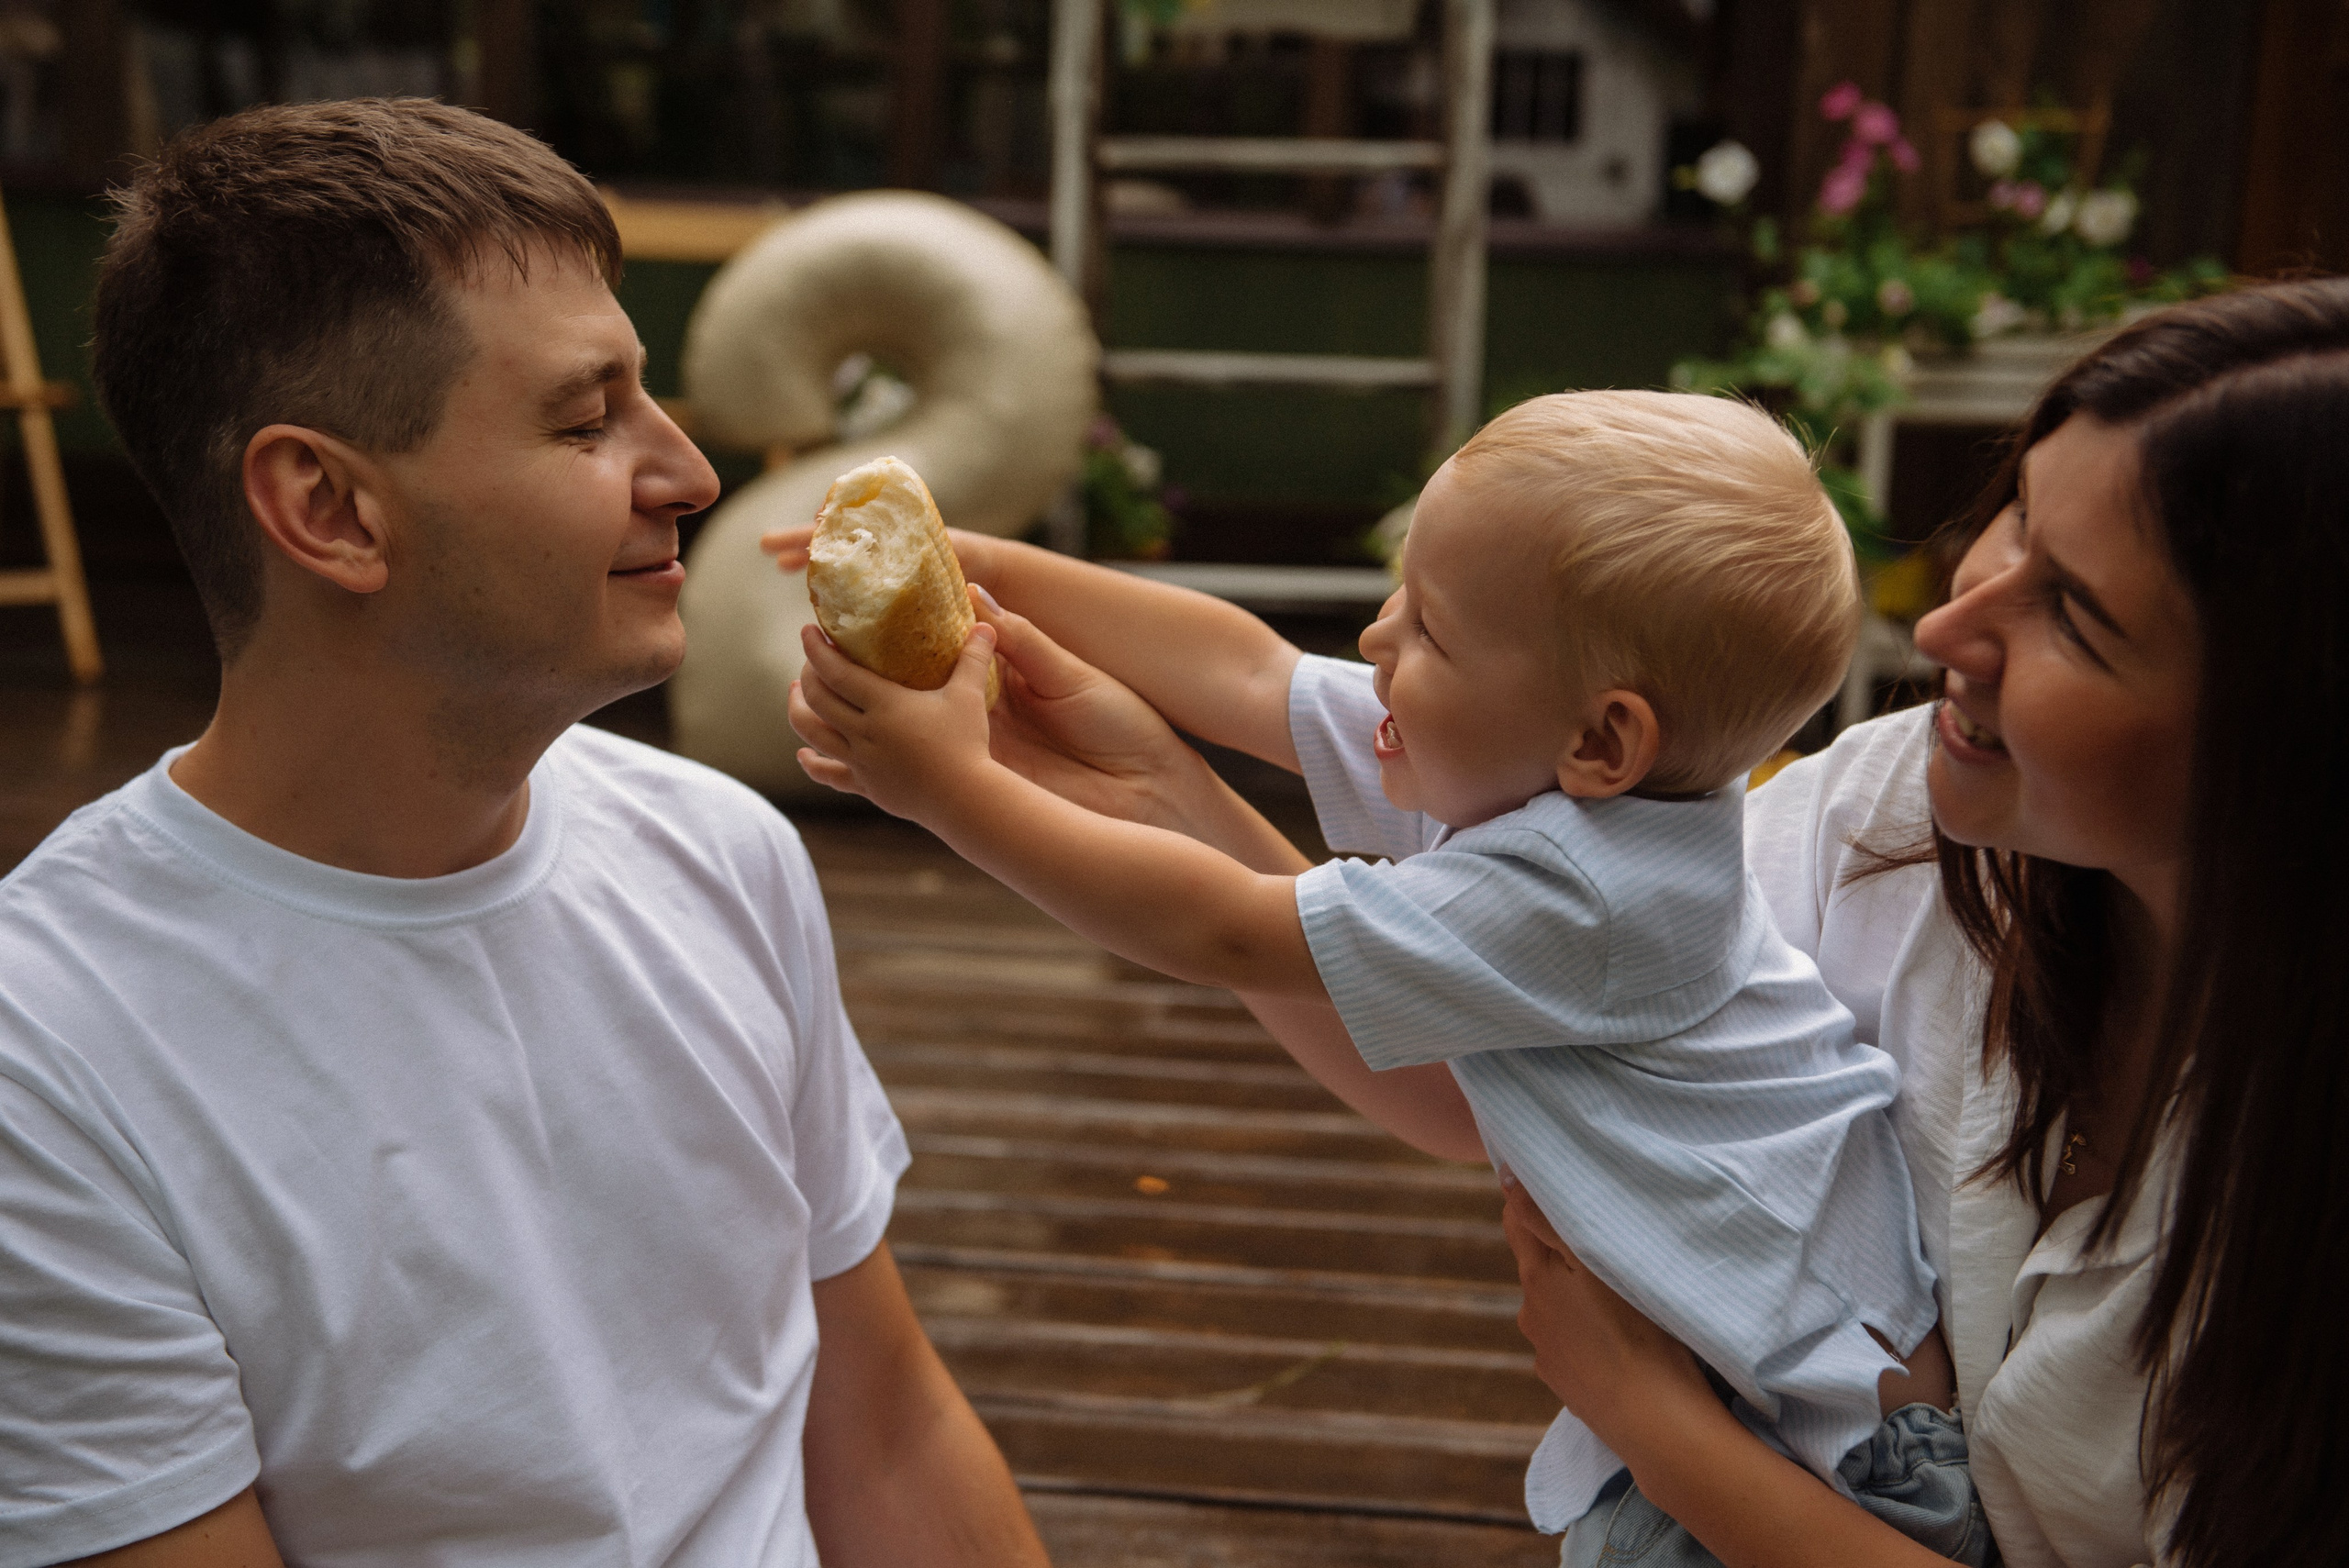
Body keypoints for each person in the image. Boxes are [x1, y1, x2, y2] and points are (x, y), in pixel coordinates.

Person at [0, 100, 1047, 1567]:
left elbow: (885, 1431)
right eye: (587, 416)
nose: (685, 473)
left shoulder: (722, 849)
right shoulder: (46, 1057)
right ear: (329, 508)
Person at [771, 391, 1983, 1557]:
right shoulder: (1558, 776)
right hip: (1772, 1410)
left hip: (1835, 1468)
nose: (1375, 637)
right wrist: (984, 568)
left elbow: (1228, 929)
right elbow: (1250, 673)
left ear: (1604, 737)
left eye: (1431, 628)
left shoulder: (1593, 896)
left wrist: (949, 788)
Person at [1475, 280, 2349, 1568]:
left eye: (2075, 615)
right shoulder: (1919, 811)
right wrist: (1161, 795)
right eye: (2015, 521)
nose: (1948, 622)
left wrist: (1655, 1422)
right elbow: (1536, 1011)